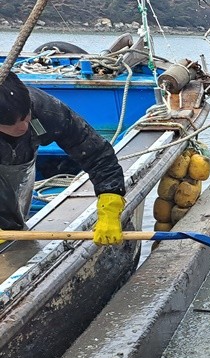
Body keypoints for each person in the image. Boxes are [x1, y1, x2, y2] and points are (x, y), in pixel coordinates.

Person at [0, 73, 124, 245]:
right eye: (11, 124)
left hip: (17, 174)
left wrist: (110, 201)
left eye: (25, 117)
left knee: (12, 229)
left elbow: (96, 154)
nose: (23, 127)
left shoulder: (45, 109)